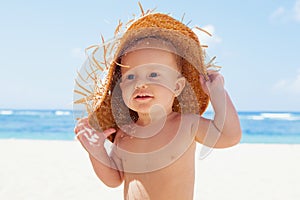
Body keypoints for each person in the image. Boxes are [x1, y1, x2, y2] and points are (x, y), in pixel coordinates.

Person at [74, 11, 241, 200]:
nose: (140, 84)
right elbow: (114, 179)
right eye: (131, 76)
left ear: (177, 86)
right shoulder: (124, 133)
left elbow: (229, 136)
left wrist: (218, 94)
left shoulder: (186, 124)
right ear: (121, 89)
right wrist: (96, 151)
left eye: (153, 75)